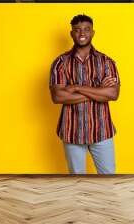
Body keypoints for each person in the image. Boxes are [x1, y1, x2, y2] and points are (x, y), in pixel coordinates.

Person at [49, 14, 120, 174]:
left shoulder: (107, 62)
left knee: (108, 177)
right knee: (76, 180)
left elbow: (113, 94)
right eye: (77, 30)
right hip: (71, 131)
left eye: (86, 29)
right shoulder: (60, 63)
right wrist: (98, 90)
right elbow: (58, 97)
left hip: (102, 131)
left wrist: (75, 87)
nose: (82, 33)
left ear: (93, 32)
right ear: (71, 33)